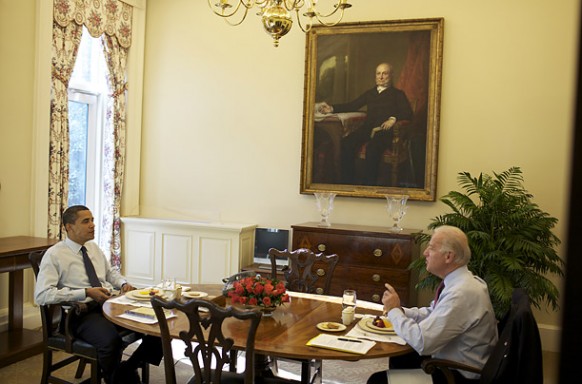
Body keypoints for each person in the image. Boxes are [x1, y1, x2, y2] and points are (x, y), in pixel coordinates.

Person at [34, 205, 163, 384]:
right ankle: (120, 379)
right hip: (80, 314)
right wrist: (85, 292)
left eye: (92, 220)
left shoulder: (93, 248)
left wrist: (123, 283)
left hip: (108, 305)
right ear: (69, 227)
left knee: (158, 326)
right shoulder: (54, 255)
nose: (92, 225)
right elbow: (42, 295)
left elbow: (110, 274)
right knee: (111, 342)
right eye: (86, 221)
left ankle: (126, 369)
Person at [367, 225, 498, 384]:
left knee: (378, 380)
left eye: (431, 248)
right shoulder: (462, 282)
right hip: (450, 362)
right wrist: (401, 311)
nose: (425, 253)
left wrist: (394, 310)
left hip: (458, 376)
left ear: (448, 256)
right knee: (400, 356)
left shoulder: (461, 293)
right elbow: (432, 312)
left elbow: (422, 342)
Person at [318, 62, 413, 185]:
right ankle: (347, 183)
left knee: (372, 149)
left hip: (385, 131)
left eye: (384, 73)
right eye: (378, 73)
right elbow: (353, 105)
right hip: (367, 129)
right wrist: (332, 109)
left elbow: (408, 113)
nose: (381, 77)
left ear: (391, 75)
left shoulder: (398, 94)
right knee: (346, 143)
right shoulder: (370, 93)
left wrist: (393, 119)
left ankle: (369, 187)